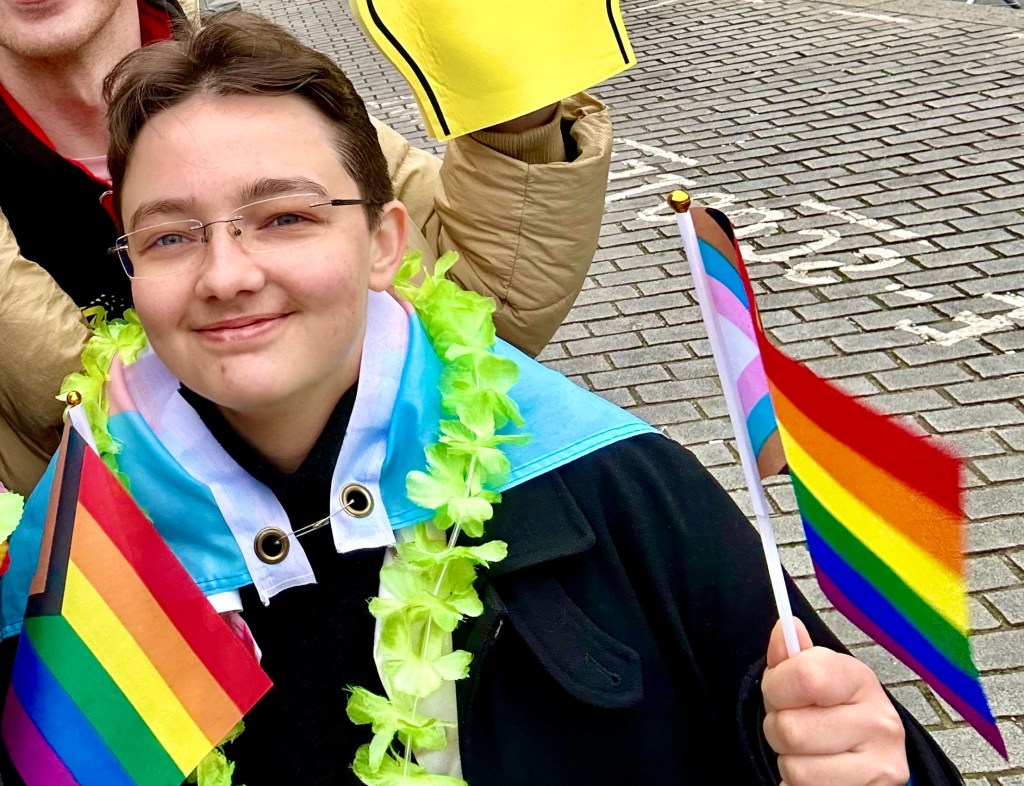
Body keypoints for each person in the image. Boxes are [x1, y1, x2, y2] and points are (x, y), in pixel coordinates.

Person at [0, 13, 962, 786]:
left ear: (385, 242)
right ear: (129, 270)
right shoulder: (70, 567)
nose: (227, 273)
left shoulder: (621, 494)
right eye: (170, 237)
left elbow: (842, 740)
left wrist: (876, 771)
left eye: (285, 217)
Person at [0, 0, 612, 496]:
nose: (227, 278)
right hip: (86, 607)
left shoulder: (265, 81)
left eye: (284, 217)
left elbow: (481, 317)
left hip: (417, 540)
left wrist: (513, 109)